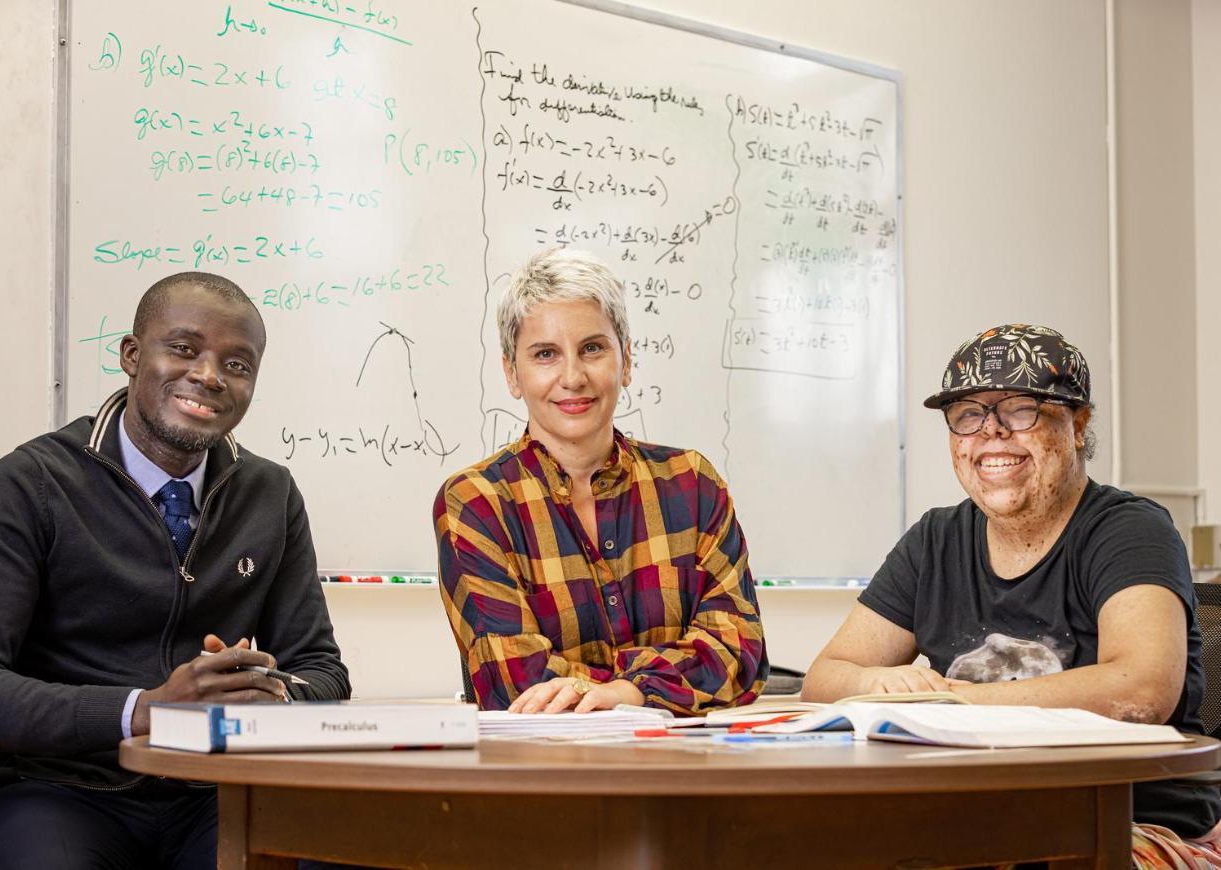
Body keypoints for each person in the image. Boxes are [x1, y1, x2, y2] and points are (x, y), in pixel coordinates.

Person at [0, 272, 350, 869]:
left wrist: (265, 699)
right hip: (58, 789)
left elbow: (322, 671)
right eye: (183, 348)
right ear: (131, 355)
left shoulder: (269, 494)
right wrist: (140, 709)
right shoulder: (33, 482)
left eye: (237, 365)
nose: (209, 376)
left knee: (343, 850)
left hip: (216, 793)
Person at [802, 323, 1221, 866]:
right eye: (967, 414)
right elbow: (824, 678)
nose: (991, 432)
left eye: (1021, 410)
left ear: (1078, 425)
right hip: (974, 820)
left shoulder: (1129, 531)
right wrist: (876, 684)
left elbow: (1141, 689)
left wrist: (946, 705)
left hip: (1124, 825)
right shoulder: (935, 540)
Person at [434, 247, 767, 715]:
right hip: (546, 761)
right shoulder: (476, 503)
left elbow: (739, 653)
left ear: (626, 361)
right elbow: (515, 682)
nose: (573, 377)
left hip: (682, 758)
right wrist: (664, 681)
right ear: (512, 374)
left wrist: (627, 692)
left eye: (592, 348)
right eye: (545, 354)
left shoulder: (692, 485)